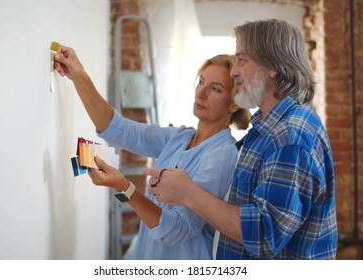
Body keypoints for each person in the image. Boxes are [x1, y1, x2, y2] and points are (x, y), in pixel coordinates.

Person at [145, 19, 338, 260]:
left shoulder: (290, 137)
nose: (234, 71)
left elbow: (263, 234)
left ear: (272, 66)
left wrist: (189, 193)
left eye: (242, 60)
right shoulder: (267, 126)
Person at [54, 49, 250, 259]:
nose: (201, 93)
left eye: (216, 89)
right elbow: (121, 130)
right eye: (201, 82)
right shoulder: (180, 137)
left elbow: (178, 228)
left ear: (234, 103)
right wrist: (79, 76)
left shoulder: (222, 155)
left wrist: (124, 187)